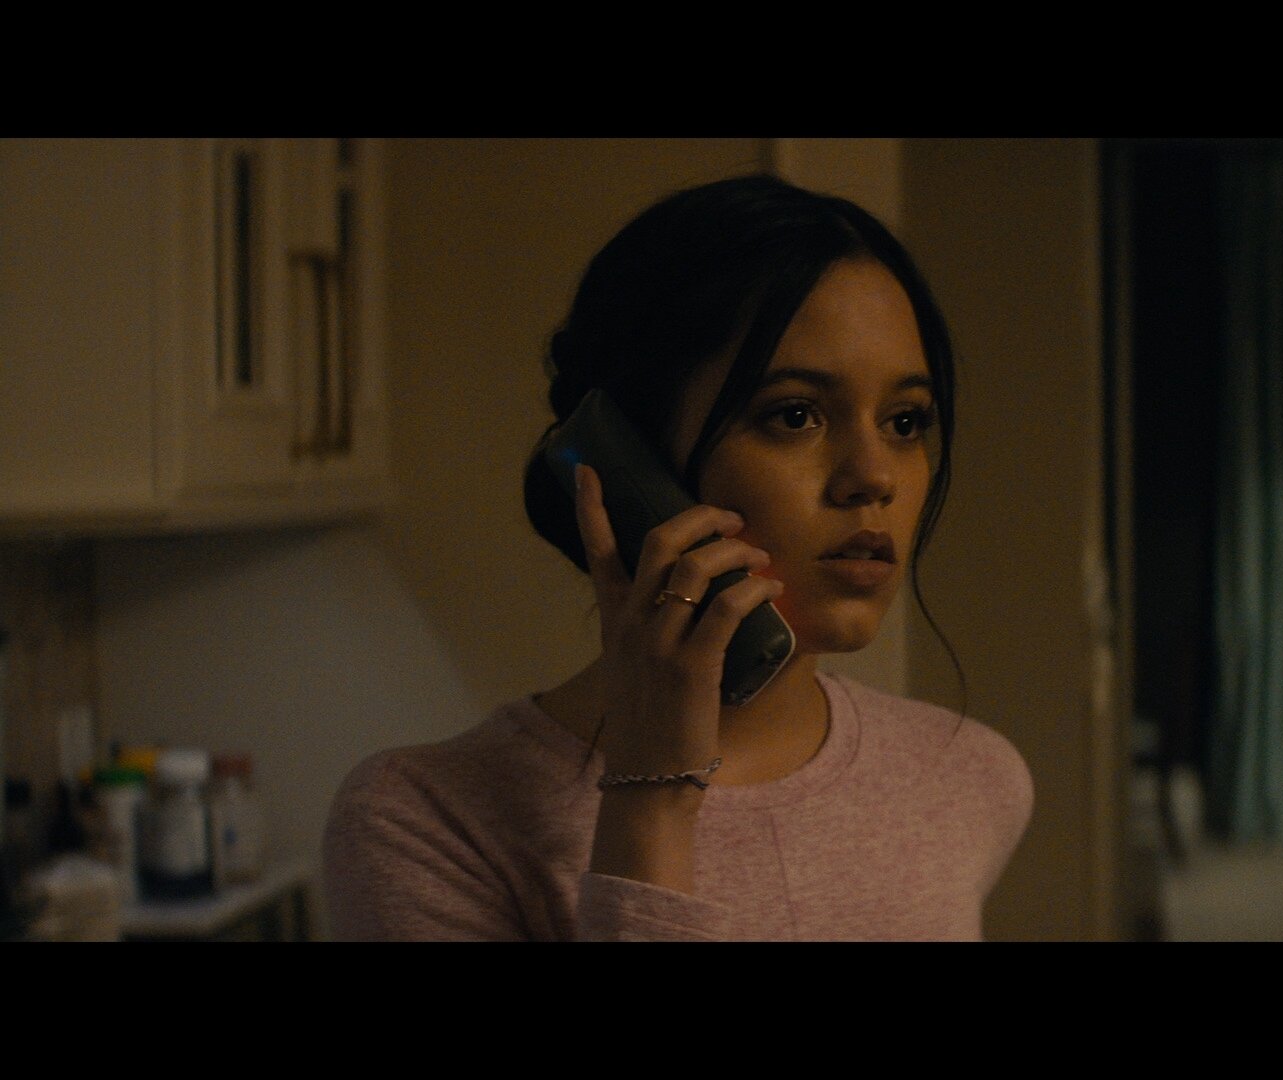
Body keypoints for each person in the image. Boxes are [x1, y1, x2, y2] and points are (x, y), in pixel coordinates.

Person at [322, 175, 1033, 940]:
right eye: (795, 414)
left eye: (905, 421)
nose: (875, 476)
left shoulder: (969, 778)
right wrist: (650, 797)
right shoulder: (422, 824)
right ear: (630, 458)